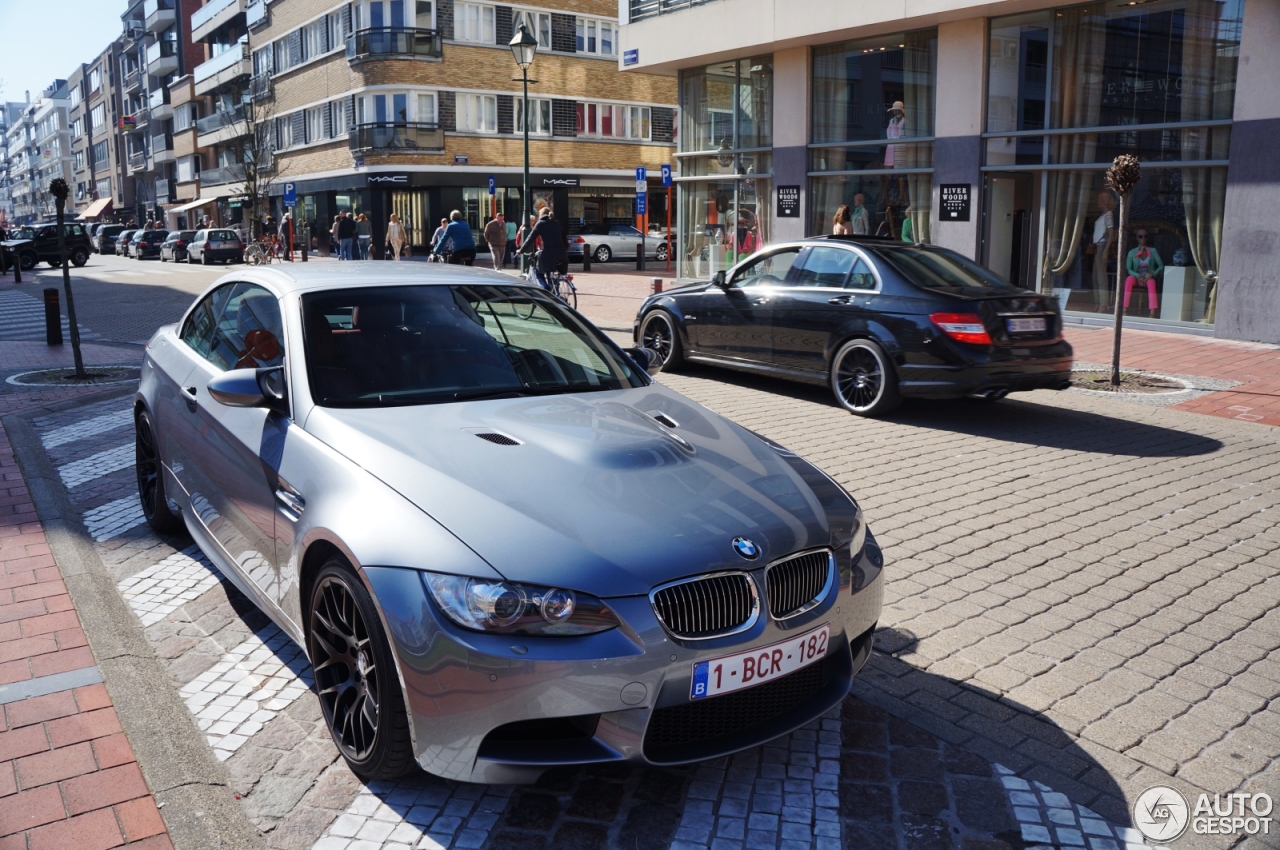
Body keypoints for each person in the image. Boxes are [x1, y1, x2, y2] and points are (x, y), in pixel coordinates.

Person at [519, 209, 566, 289]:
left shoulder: (540, 223)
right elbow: (563, 237)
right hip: (561, 254)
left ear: (541, 214)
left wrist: (521, 250)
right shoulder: (556, 223)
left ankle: (545, 288)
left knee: (538, 271)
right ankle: (555, 290)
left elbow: (530, 238)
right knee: (549, 271)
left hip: (548, 253)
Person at [1123, 230, 1164, 319]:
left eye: (1145, 236)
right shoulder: (1132, 252)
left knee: (1151, 282)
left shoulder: (1153, 251)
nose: (1143, 238)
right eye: (1140, 236)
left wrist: (1152, 273)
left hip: (1148, 277)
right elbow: (1128, 269)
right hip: (1136, 277)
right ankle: (1124, 309)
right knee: (1129, 279)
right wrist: (1138, 276)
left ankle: (1152, 312)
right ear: (1137, 238)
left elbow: (1161, 266)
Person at [1089, 191, 1116, 312]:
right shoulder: (1103, 215)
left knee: (1101, 276)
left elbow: (1111, 233)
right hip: (1097, 246)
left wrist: (1106, 250)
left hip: (1102, 246)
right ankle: (1098, 302)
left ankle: (1103, 304)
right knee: (1095, 276)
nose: (1098, 202)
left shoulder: (1108, 215)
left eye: (1100, 200)